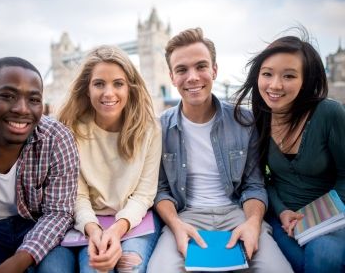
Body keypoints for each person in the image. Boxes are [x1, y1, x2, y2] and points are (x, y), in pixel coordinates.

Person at [147, 28, 293, 273]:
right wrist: (175, 224)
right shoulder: (159, 128)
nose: (192, 77)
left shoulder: (244, 121)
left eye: (201, 66)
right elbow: (160, 190)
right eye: (182, 70)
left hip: (237, 213)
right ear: (172, 77)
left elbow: (253, 185)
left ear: (214, 70)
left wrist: (253, 223)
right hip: (185, 216)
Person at [234, 31, 345, 272]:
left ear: (306, 80)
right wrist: (282, 211)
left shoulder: (329, 114)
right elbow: (263, 179)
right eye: (267, 74)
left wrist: (320, 216)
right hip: (283, 220)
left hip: (333, 219)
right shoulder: (260, 118)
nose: (275, 85)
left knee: (323, 254)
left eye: (289, 76)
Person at [58, 45, 162, 273]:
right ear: (87, 89)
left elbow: (144, 195)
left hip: (135, 221)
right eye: (99, 84)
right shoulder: (71, 131)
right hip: (88, 222)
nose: (108, 93)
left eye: (118, 83)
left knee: (130, 268)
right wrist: (94, 231)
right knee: (94, 269)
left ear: (130, 88)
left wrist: (116, 231)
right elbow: (78, 196)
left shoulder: (150, 130)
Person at [0, 57, 79, 273]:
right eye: (8, 96)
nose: (22, 109)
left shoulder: (56, 137)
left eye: (34, 99)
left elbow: (59, 213)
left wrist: (14, 265)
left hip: (37, 223)